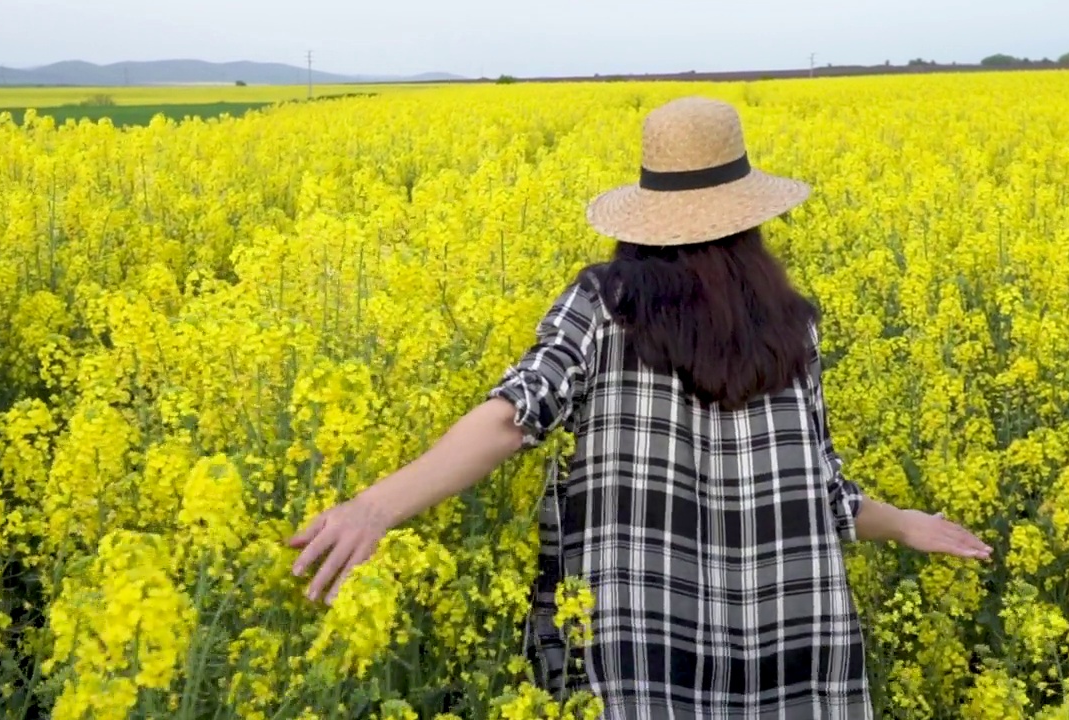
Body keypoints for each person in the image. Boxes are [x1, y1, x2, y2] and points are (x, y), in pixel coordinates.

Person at [288, 96, 992, 718]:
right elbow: (826, 491)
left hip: (643, 645)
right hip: (791, 636)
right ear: (750, 216)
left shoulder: (605, 304)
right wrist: (904, 524)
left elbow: (514, 414)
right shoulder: (793, 325)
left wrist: (376, 506)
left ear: (647, 215)